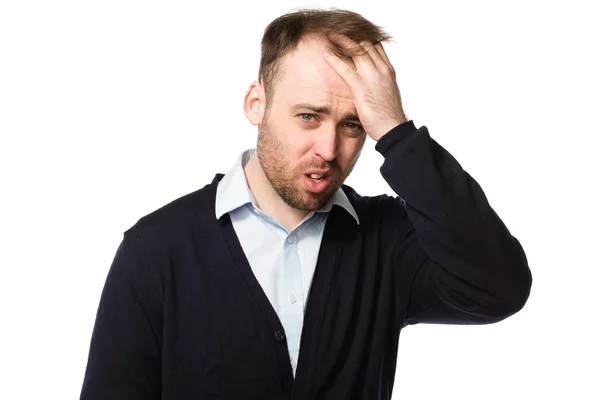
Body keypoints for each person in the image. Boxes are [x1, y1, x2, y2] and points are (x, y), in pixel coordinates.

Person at [79, 8, 532, 400]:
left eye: (353, 125)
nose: (329, 149)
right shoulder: (157, 249)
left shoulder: (386, 240)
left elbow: (499, 289)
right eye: (308, 117)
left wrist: (396, 134)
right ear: (256, 104)